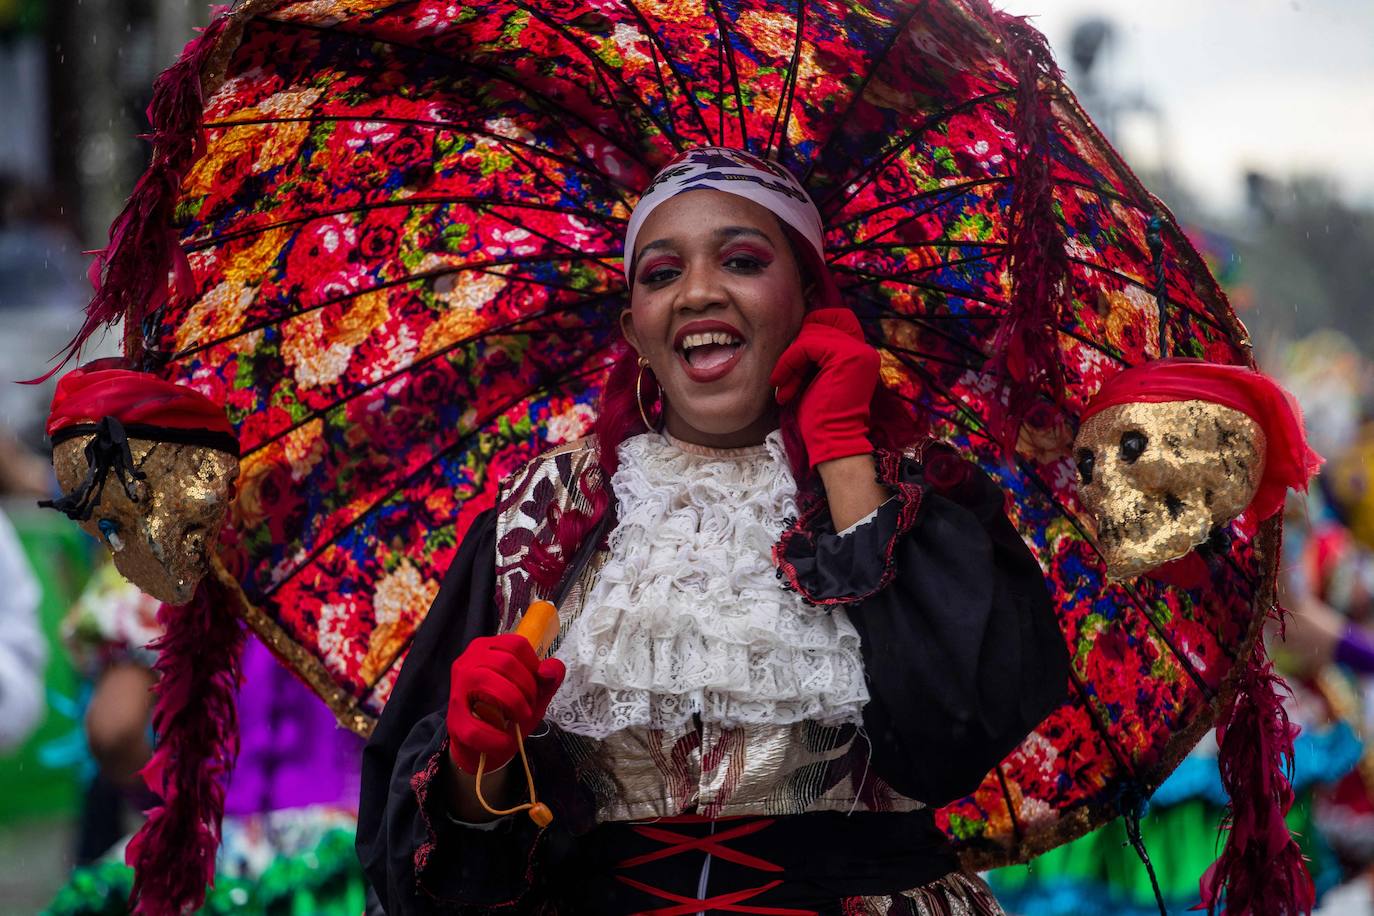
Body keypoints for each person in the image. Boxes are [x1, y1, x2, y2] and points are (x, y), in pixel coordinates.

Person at [357, 147, 1069, 914]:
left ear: (807, 300)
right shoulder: (546, 515)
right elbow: (433, 875)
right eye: (662, 274)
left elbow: (953, 735)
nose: (698, 292)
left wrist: (844, 456)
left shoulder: (921, 497)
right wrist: (475, 769)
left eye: (741, 260)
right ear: (636, 329)